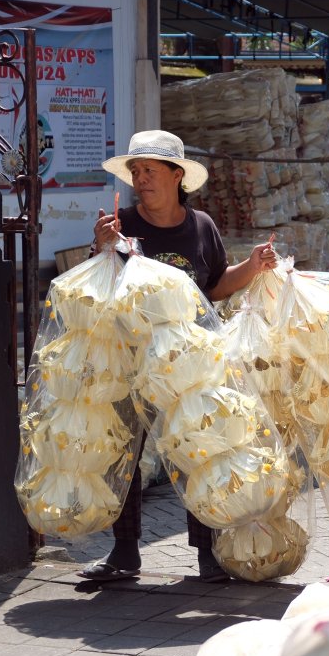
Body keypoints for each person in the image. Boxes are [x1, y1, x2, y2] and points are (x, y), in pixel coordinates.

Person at [78, 129, 277, 582]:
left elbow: (215, 286)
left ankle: (207, 554)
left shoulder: (200, 226)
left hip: (190, 366)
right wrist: (101, 249)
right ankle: (124, 552)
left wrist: (253, 266)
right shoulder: (121, 224)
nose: (141, 179)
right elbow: (98, 287)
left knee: (201, 448)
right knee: (124, 452)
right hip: (130, 359)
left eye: (150, 170)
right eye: (136, 171)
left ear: (176, 175)